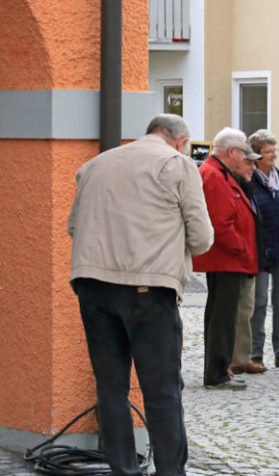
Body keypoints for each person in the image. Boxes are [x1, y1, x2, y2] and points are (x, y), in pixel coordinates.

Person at [68, 114, 214, 475]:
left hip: (92, 285)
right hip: (148, 288)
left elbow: (74, 225)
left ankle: (122, 469)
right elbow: (202, 237)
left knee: (111, 387)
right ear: (180, 141)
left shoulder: (95, 165)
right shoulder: (177, 164)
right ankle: (169, 470)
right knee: (162, 389)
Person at [192, 127, 261, 390]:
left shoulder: (219, 174)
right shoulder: (214, 175)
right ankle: (217, 373)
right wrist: (243, 249)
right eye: (244, 153)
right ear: (231, 152)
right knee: (223, 317)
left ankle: (219, 369)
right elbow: (221, 224)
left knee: (222, 315)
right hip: (227, 259)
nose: (247, 160)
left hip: (228, 259)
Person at [248, 129, 279, 370]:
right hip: (260, 249)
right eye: (268, 151)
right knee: (259, 301)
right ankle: (255, 353)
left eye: (275, 151)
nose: (273, 155)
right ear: (258, 154)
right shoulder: (249, 181)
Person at [229, 153, 267, 375]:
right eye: (249, 162)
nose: (253, 167)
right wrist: (243, 250)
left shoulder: (247, 185)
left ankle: (242, 357)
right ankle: (231, 359)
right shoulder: (231, 184)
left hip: (251, 258)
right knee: (235, 312)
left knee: (246, 310)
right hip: (237, 259)